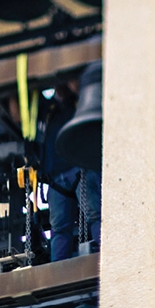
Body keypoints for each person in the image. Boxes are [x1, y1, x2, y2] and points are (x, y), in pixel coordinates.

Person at [38, 81, 101, 261]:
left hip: (81, 169)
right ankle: (59, 270)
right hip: (57, 178)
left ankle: (108, 257)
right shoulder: (49, 109)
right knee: (59, 229)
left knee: (95, 216)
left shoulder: (81, 101)